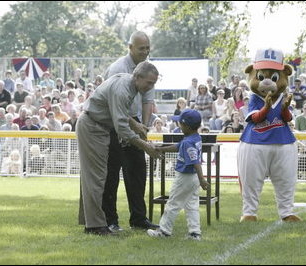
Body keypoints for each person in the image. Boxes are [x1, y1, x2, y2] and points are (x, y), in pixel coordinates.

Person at [76, 61, 162, 235]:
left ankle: (92, 222)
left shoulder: (127, 83)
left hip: (98, 127)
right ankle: (94, 226)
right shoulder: (123, 89)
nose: (151, 86)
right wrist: (145, 146)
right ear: (138, 77)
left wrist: (135, 124)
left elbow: (114, 108)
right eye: (149, 82)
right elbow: (122, 129)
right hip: (93, 127)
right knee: (97, 178)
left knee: (95, 177)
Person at [98, 31, 158, 233]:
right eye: (142, 48)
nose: (146, 51)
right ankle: (110, 220)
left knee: (138, 173)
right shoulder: (117, 69)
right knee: (112, 174)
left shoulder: (148, 69)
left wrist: (144, 128)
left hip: (135, 122)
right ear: (130, 47)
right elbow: (115, 109)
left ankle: (139, 219)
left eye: (148, 48)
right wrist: (133, 125)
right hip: (114, 124)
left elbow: (148, 101)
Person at [146, 109, 209, 240]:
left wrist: (202, 179)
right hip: (193, 179)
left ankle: (164, 231)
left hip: (185, 177)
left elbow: (195, 161)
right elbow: (177, 146)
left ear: (187, 126)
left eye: (180, 124)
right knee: (192, 205)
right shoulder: (194, 137)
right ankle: (195, 233)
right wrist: (160, 149)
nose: (179, 126)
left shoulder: (188, 142)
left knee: (173, 203)